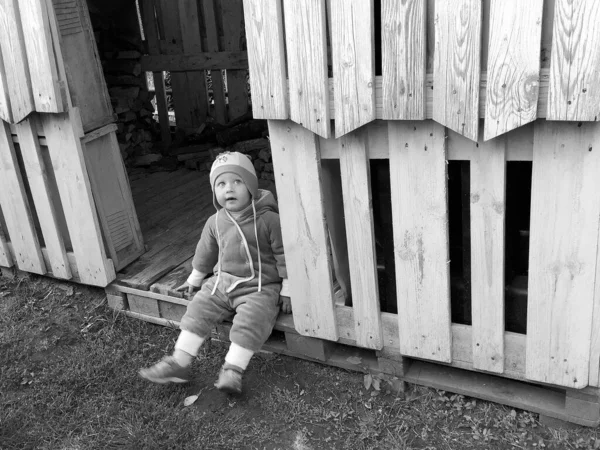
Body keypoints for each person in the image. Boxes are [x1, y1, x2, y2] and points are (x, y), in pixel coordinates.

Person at [139, 151, 291, 394]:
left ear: (251, 185)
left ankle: (233, 370)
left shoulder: (269, 220)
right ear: (214, 191)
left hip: (260, 287)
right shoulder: (215, 221)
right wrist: (196, 278)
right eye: (221, 184)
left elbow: (285, 255)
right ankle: (179, 363)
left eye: (237, 182)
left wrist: (288, 290)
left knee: (253, 319)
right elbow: (205, 253)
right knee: (198, 307)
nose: (228, 189)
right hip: (222, 282)